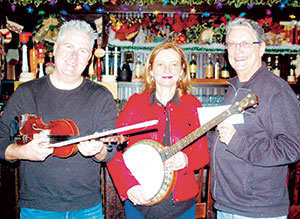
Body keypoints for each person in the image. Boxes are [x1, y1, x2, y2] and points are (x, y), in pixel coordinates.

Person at [0, 20, 117, 218]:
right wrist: (21, 152)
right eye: (69, 47)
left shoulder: (102, 96)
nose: (74, 57)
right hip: (38, 207)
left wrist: (98, 151)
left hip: (86, 207)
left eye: (82, 51)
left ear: (89, 57)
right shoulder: (26, 93)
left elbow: (110, 151)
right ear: (55, 48)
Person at [209, 18, 300, 219]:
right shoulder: (234, 88)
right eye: (232, 44)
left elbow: (292, 149)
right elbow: (224, 138)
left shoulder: (277, 91)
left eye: (245, 44)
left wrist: (238, 143)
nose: (237, 50)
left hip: (256, 211)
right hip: (226, 206)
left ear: (261, 49)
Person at [107, 42, 209, 219]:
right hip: (140, 201)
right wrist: (127, 186)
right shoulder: (135, 103)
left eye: (174, 64)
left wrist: (186, 159)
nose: (167, 69)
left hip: (182, 205)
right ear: (151, 70)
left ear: (182, 71)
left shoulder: (193, 105)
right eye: (160, 64)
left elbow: (203, 155)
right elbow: (112, 149)